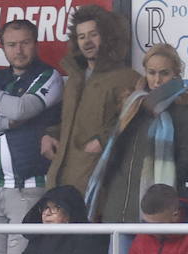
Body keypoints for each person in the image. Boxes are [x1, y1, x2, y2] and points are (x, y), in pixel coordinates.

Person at [0, 19, 65, 254]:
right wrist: (8, 123)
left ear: (35, 44)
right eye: (11, 44)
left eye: (24, 43)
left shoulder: (48, 75)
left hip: (28, 187)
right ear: (3, 48)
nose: (18, 50)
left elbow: (22, 108)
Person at [84, 42, 188, 254]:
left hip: (159, 209)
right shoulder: (132, 104)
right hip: (119, 206)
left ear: (176, 73)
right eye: (152, 72)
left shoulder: (185, 106)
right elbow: (113, 149)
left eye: (164, 73)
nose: (157, 80)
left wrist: (168, 183)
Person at [44, 5, 141, 194]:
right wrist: (51, 134)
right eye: (81, 37)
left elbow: (133, 123)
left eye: (93, 34)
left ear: (108, 36)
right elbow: (71, 121)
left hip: (100, 178)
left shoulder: (127, 78)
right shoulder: (74, 79)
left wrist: (102, 140)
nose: (87, 42)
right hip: (62, 176)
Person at [11, 184, 109, 254]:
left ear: (70, 213)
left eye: (55, 208)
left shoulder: (90, 240)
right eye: (45, 208)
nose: (47, 213)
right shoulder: (38, 239)